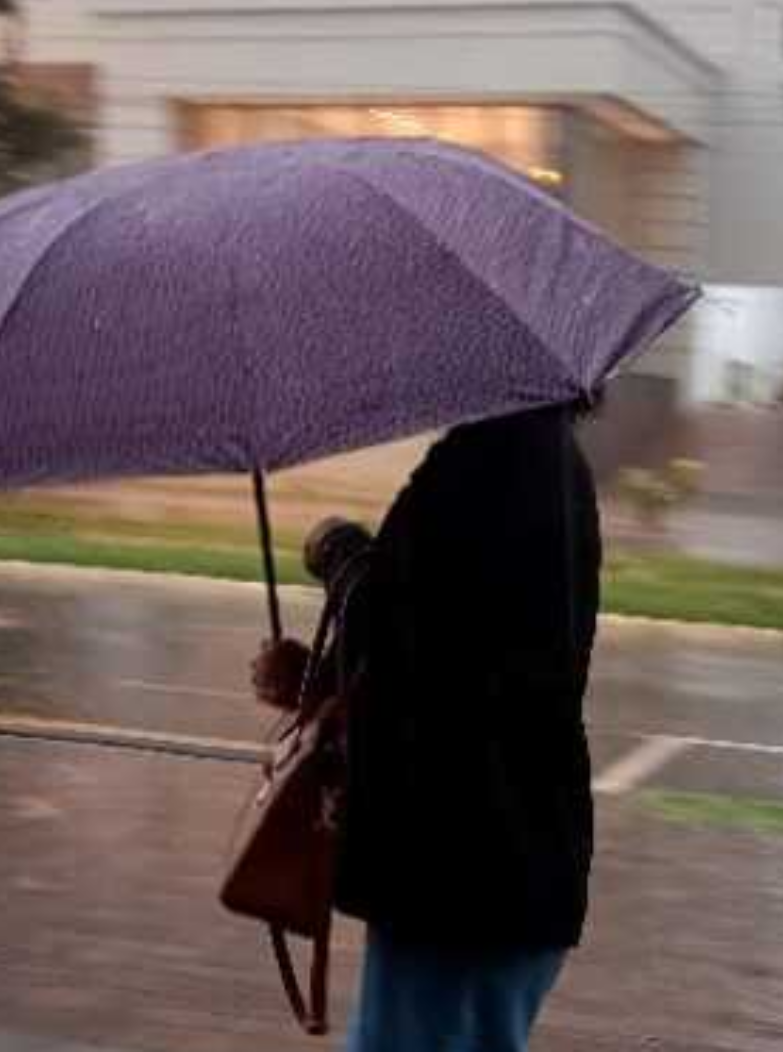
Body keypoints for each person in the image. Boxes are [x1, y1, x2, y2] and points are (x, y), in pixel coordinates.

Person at [252, 403, 602, 1052]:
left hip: (453, 863)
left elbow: (399, 623)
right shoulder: (560, 465)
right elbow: (475, 649)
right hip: (532, 854)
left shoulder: (478, 467)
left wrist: (338, 551)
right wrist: (325, 669)